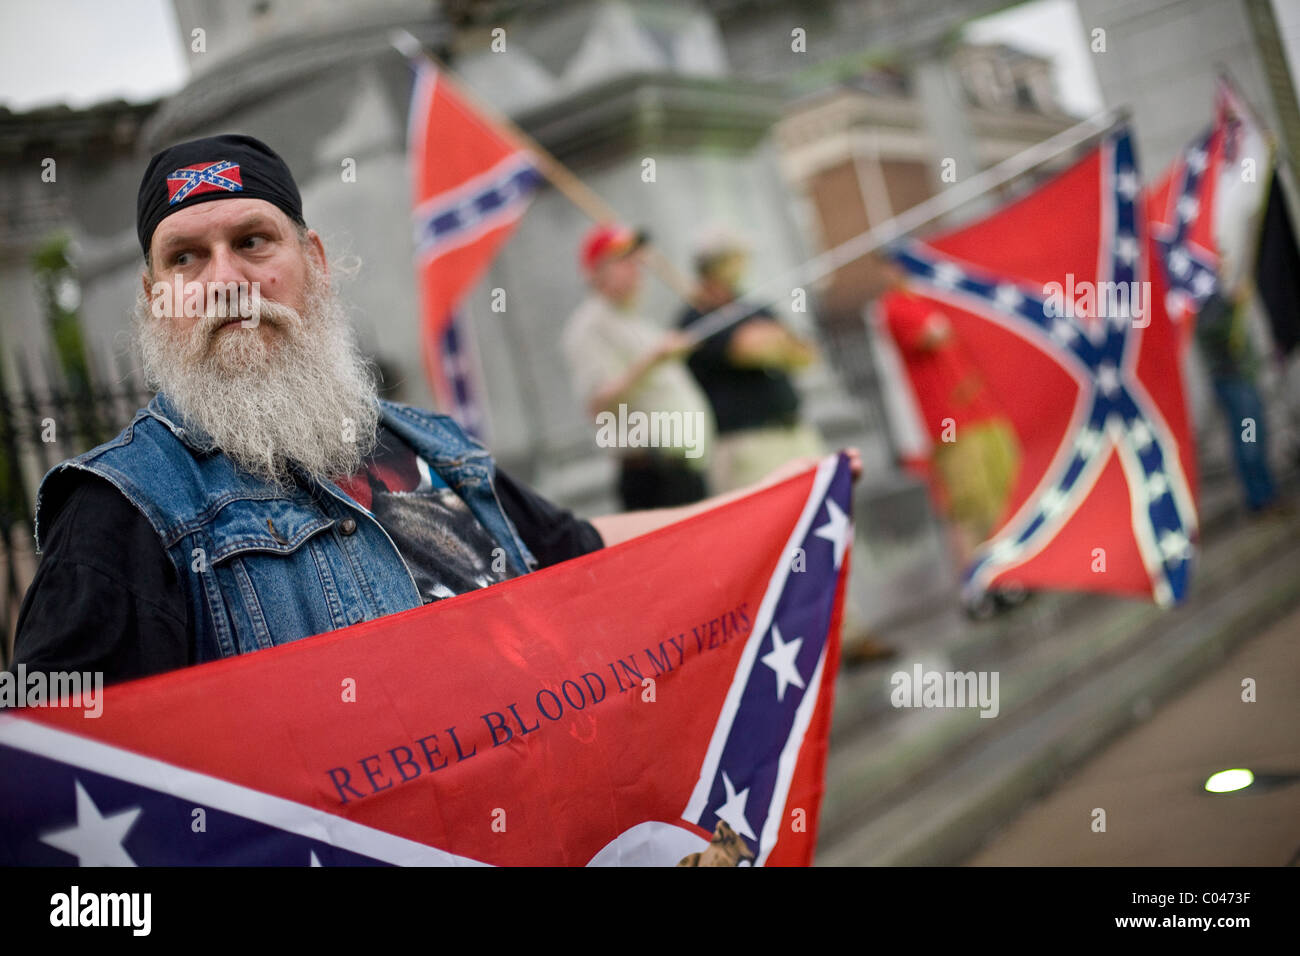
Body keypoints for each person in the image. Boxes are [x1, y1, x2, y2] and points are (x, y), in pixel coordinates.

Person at [13, 135, 859, 686]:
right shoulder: (119, 513)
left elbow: (581, 552)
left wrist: (780, 503)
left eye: (253, 241)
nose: (227, 277)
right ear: (157, 298)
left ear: (313, 260)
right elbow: (76, 788)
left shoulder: (431, 445)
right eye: (188, 257)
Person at [878, 259, 1022, 616]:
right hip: (949, 422)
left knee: (1001, 495)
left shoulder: (939, 297)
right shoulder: (897, 306)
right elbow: (933, 334)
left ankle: (1003, 577)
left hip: (983, 411)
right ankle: (975, 589)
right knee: (966, 505)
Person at [562, 224, 715, 509]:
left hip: (683, 469)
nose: (634, 268)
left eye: (635, 259)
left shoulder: (639, 323)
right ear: (595, 273)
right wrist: (653, 360)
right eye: (621, 260)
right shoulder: (588, 327)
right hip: (652, 474)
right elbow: (599, 403)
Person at [676, 228, 823, 493]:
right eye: (735, 258)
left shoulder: (754, 307)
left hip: (794, 432)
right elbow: (747, 350)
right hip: (746, 445)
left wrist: (772, 340)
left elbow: (805, 354)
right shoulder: (696, 319)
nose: (743, 265)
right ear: (715, 265)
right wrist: (774, 340)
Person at [1195, 284, 1280, 514]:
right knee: (1249, 439)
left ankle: (1265, 492)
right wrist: (1233, 308)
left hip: (1242, 379)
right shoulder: (1206, 302)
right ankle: (1260, 497)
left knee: (1253, 437)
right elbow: (1220, 335)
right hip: (1234, 381)